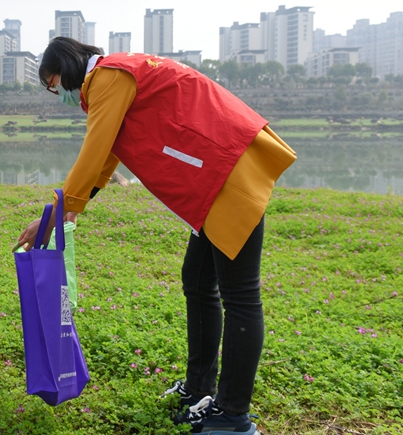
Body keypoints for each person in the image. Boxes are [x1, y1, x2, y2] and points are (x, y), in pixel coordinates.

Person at [15, 37, 296, 434]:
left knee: (240, 294)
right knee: (197, 281)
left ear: (66, 66)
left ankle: (233, 416)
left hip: (226, 168)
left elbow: (94, 151)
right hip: (213, 175)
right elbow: (108, 155)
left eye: (53, 83)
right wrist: (70, 209)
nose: (57, 93)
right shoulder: (111, 78)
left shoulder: (108, 76)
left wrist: (54, 216)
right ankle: (199, 388)